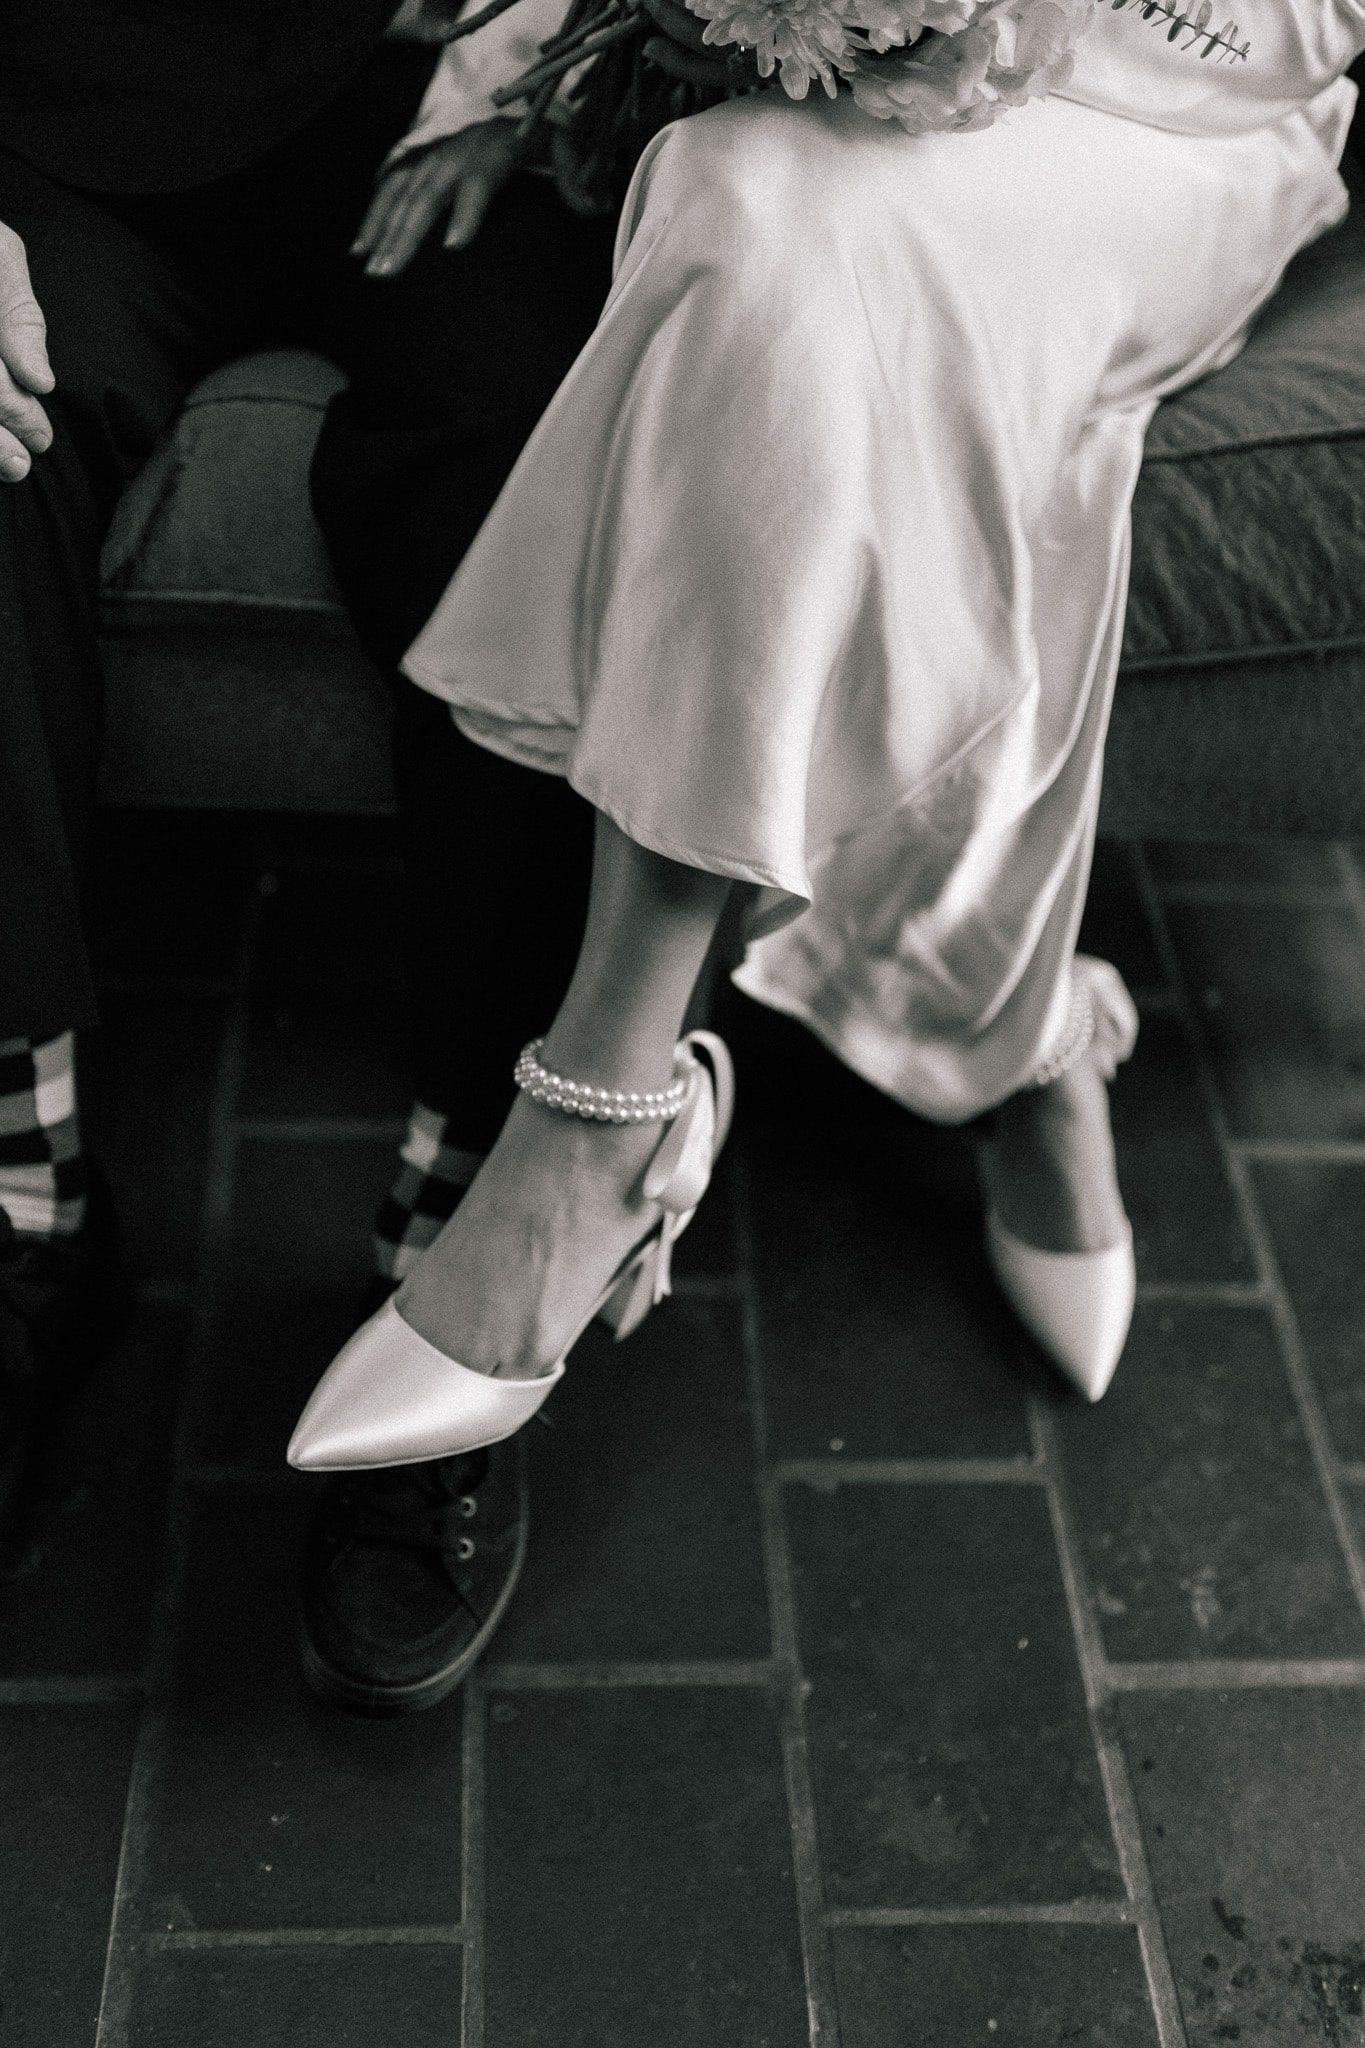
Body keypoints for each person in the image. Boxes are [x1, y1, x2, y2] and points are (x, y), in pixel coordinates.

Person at [289, 0, 1364, 1490]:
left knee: (782, 212)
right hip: (836, 102)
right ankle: (1011, 1025)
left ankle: (601, 1105)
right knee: (742, 187)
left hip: (1173, 130)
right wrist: (505, 76)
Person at [0, 1, 622, 1708]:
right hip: (46, 117)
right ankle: (24, 1207)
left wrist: (552, 59)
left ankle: (458, 1244)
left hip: (445, 92)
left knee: (554, 457)